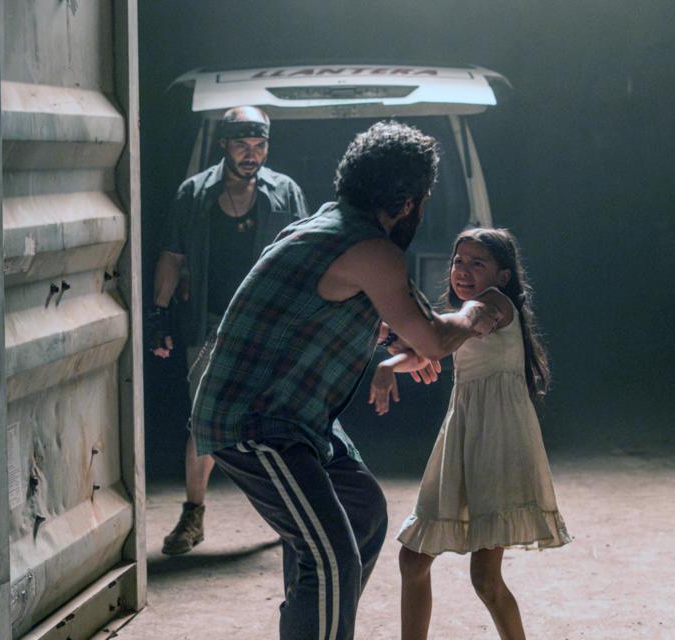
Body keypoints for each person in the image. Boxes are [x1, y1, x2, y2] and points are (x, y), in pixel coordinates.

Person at [188, 121, 507, 639]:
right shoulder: (370, 249)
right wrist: (474, 314)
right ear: (409, 202)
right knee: (331, 558)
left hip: (296, 417)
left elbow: (341, 305)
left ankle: (311, 626)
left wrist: (394, 330)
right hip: (256, 422)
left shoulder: (326, 226)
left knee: (360, 510)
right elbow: (432, 340)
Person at [370, 228, 572, 640]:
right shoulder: (461, 315)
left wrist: (393, 334)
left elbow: (451, 329)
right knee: (413, 561)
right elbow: (431, 346)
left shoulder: (491, 305)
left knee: (485, 578)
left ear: (503, 276)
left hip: (498, 439)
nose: (463, 270)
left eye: (477, 263)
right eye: (459, 261)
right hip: (463, 432)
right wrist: (391, 360)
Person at [147, 106, 309, 555]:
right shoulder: (194, 194)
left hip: (268, 326)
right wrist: (159, 316)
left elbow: (304, 257)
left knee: (276, 422)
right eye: (242, 144)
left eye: (259, 146)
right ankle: (193, 516)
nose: (251, 154)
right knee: (204, 422)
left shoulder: (286, 192)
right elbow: (172, 257)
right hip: (210, 323)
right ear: (224, 144)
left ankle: (289, 516)